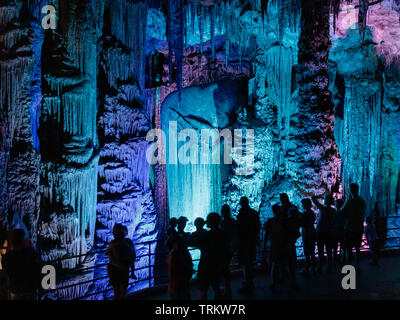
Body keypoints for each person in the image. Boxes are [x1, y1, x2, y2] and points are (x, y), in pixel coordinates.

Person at [2, 229, 42, 300]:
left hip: (16, 289)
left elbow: (6, 272)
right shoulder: (30, 253)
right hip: (29, 288)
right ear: (22, 240)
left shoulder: (7, 256)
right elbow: (37, 268)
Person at [197, 213, 229, 300]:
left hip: (205, 265)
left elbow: (192, 242)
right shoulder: (223, 234)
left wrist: (199, 228)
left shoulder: (206, 235)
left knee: (203, 291)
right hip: (216, 265)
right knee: (217, 289)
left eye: (208, 219)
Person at [106, 223, 137, 300]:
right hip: (123, 269)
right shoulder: (128, 243)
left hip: (115, 270)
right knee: (122, 291)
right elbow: (133, 257)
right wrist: (131, 270)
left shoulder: (112, 244)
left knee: (118, 292)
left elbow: (111, 259)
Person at [236, 197, 260, 294]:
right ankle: (249, 282)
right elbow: (257, 226)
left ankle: (248, 284)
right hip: (252, 240)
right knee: (249, 263)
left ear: (242, 203)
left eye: (241, 203)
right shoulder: (254, 213)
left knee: (246, 263)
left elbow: (239, 227)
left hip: (245, 241)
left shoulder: (242, 214)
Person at [340, 183, 366, 268]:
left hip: (349, 227)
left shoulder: (349, 201)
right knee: (358, 247)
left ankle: (349, 265)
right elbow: (363, 212)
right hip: (359, 227)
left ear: (351, 190)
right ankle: (358, 264)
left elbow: (341, 212)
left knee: (349, 247)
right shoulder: (362, 201)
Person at [264, 204, 287, 291]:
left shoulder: (271, 221)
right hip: (282, 244)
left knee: (274, 263)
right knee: (282, 263)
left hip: (274, 244)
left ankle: (274, 282)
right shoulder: (284, 220)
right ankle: (283, 280)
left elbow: (266, 234)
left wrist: (264, 244)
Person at [312, 194, 336, 272]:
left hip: (321, 232)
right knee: (329, 251)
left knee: (320, 251)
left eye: (325, 199)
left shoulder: (322, 208)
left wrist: (320, 196)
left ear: (326, 201)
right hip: (329, 232)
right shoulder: (333, 211)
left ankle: (320, 267)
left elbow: (313, 199)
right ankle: (329, 267)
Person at [167, 235, 194, 300]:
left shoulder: (173, 255)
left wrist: (170, 284)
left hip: (177, 281)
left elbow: (171, 270)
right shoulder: (185, 253)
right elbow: (190, 265)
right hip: (183, 280)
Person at [220, 204, 237, 298]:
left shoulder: (222, 223)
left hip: (223, 249)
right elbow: (235, 235)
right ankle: (227, 287)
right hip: (230, 248)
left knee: (224, 269)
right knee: (226, 268)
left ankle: (227, 289)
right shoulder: (233, 221)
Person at [300, 198, 317, 276]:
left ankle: (307, 268)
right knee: (312, 251)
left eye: (303, 204)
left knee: (307, 252)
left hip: (307, 233)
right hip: (312, 232)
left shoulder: (306, 214)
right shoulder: (312, 213)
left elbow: (303, 223)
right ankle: (313, 268)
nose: (302, 205)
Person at [332, 198, 346, 264]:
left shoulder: (335, 212)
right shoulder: (344, 212)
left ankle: (336, 259)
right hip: (342, 230)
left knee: (336, 246)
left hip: (337, 230)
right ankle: (342, 259)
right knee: (342, 246)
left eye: (336, 204)